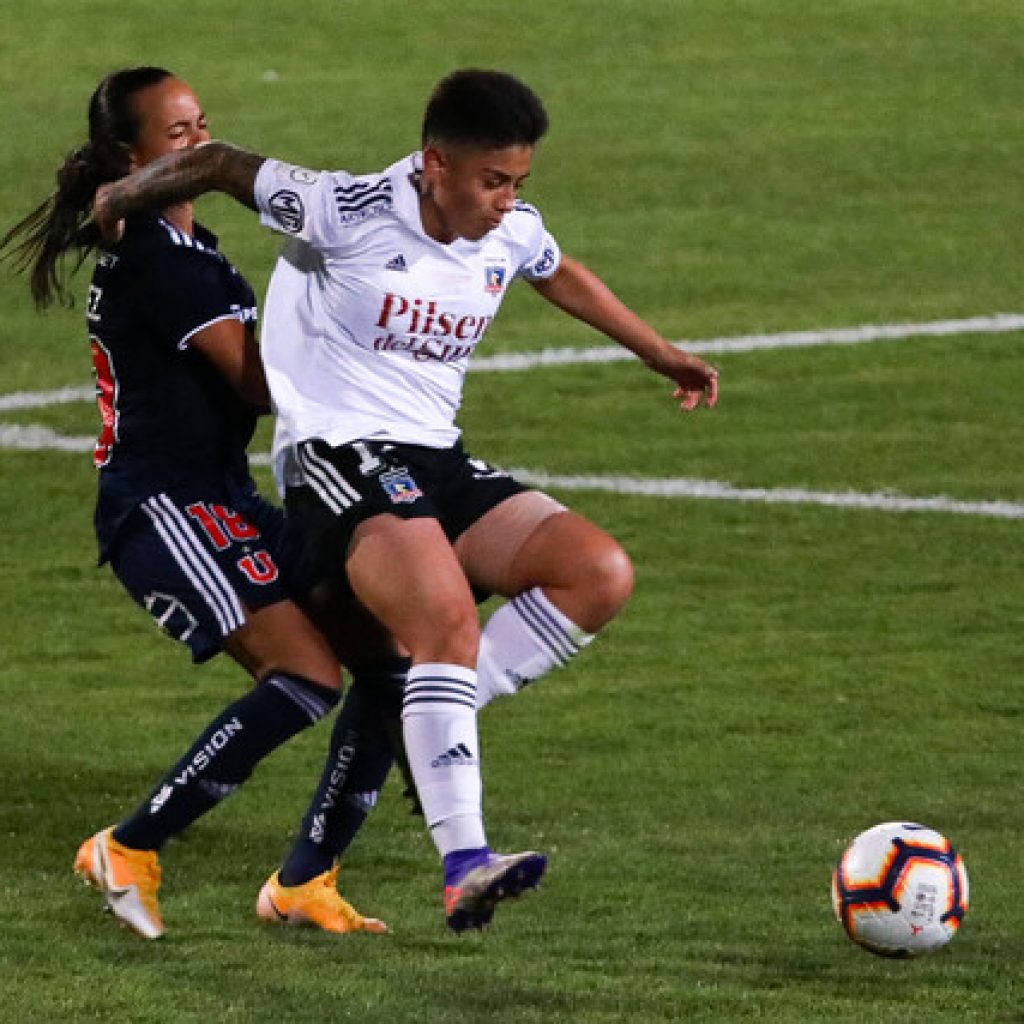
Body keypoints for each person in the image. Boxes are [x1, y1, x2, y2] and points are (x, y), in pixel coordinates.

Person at [92, 68, 720, 933]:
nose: (507, 202)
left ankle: (420, 730)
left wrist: (660, 352)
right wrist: (129, 190)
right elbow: (226, 164)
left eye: (519, 183)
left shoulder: (506, 230)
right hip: (335, 457)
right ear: (434, 164)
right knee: (443, 624)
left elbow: (555, 268)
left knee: (595, 573)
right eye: (492, 181)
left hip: (435, 458)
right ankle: (464, 860)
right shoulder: (344, 210)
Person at [0, 66, 404, 940]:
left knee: (386, 653)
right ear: (130, 157)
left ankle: (306, 882)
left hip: (221, 496)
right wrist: (373, 349)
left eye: (202, 126)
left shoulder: (190, 244)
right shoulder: (157, 258)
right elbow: (259, 384)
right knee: (302, 676)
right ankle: (130, 847)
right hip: (164, 508)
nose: (201, 145)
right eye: (178, 134)